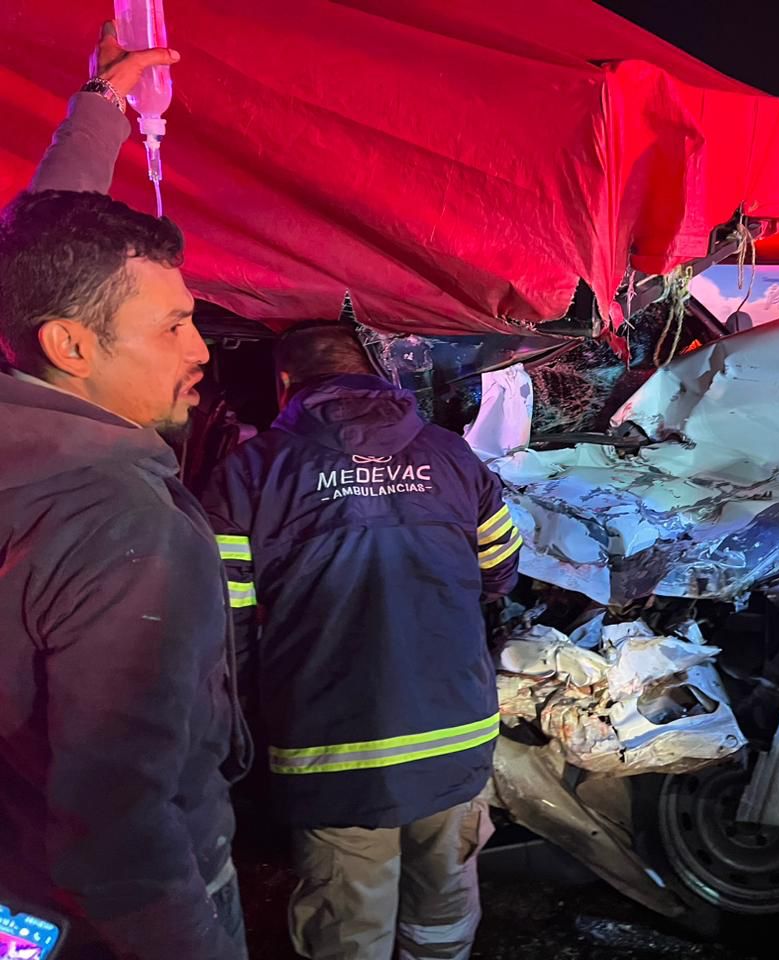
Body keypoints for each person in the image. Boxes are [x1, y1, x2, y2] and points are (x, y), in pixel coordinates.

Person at [0, 23, 249, 960]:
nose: (200, 349)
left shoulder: (24, 411)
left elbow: (46, 255)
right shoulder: (127, 529)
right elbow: (121, 832)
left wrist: (101, 110)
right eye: (177, 325)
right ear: (71, 347)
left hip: (20, 882)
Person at [201, 323, 522, 960]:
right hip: (455, 735)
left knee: (351, 922)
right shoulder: (454, 457)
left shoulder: (249, 473)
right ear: (376, 372)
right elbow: (502, 572)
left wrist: (245, 726)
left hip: (333, 748)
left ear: (285, 383)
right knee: (443, 904)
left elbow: (224, 630)